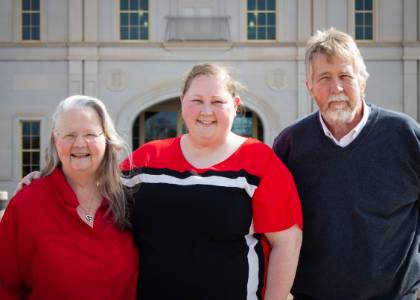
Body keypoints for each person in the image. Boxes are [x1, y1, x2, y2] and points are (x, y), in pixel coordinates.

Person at [120, 63, 303, 300]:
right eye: (197, 100)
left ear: (235, 106)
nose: (206, 111)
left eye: (217, 101)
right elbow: (100, 213)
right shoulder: (144, 161)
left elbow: (287, 242)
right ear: (182, 101)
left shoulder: (260, 161)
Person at [273, 28, 420, 300]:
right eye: (324, 78)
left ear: (362, 82)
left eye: (345, 76)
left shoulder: (405, 135)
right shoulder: (290, 145)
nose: (336, 87)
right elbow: (275, 229)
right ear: (309, 87)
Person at [0, 95, 139, 299]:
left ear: (107, 140)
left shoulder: (131, 198)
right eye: (69, 135)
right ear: (55, 140)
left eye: (90, 134)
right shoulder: (27, 205)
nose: (80, 144)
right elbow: (5, 286)